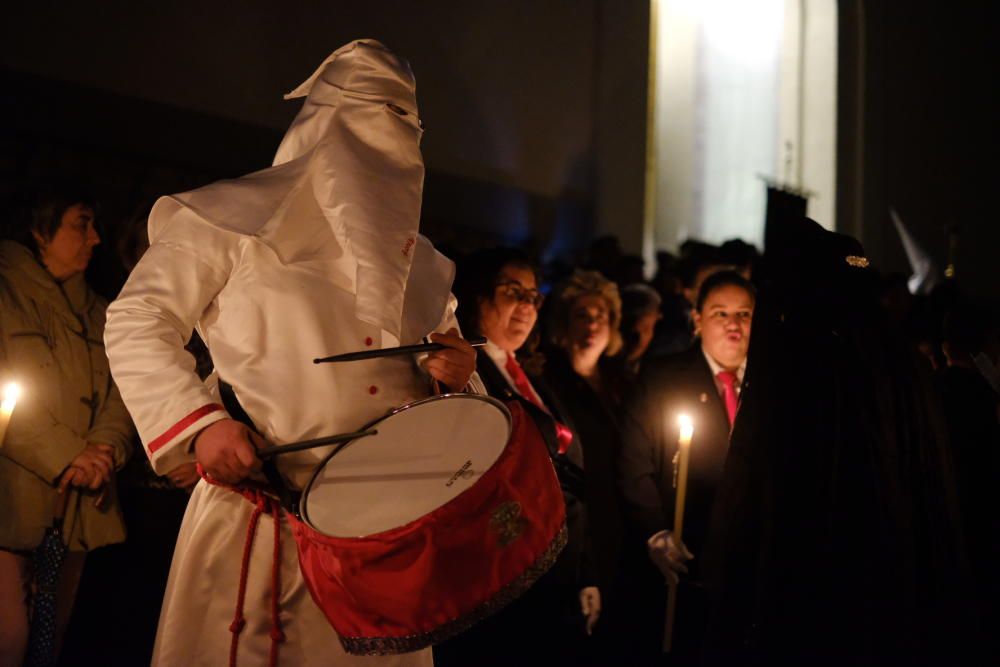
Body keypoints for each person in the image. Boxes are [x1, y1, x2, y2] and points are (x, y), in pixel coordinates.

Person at [105, 40, 476, 667]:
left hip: (387, 542)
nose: (385, 143)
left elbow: (452, 401)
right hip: (266, 517)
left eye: (402, 125)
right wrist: (202, 428)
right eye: (370, 118)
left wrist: (458, 380)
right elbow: (138, 317)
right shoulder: (226, 219)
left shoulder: (426, 270)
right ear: (323, 123)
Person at [702, 216, 981, 665]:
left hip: (813, 596)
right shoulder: (902, 362)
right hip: (894, 590)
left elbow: (767, 494)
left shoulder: (802, 363)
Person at [435, 247, 599, 666]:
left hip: (558, 565)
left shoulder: (531, 374)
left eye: (533, 295)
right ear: (479, 296)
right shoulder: (467, 373)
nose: (527, 305)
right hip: (510, 570)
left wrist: (585, 572)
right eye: (513, 291)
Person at [0, 188, 133, 667]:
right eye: (81, 224)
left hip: (80, 498)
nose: (94, 239)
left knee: (50, 634)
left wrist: (103, 449)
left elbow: (124, 391)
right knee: (9, 637)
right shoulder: (6, 294)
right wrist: (65, 453)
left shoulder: (101, 313)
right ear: (40, 228)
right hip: (12, 497)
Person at [617, 270, 754, 664]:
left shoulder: (771, 386)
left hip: (745, 560)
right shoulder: (663, 377)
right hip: (683, 548)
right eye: (720, 313)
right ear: (697, 319)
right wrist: (655, 530)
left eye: (744, 314)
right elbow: (634, 462)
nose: (733, 324)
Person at [543, 270, 628, 662]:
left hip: (617, 519)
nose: (592, 324)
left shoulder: (620, 381)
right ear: (564, 322)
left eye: (601, 316)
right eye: (582, 315)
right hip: (577, 521)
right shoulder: (549, 382)